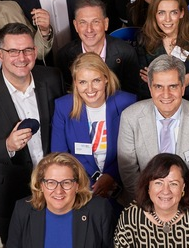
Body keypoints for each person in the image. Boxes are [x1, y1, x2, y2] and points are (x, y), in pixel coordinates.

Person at [0, 23, 63, 238]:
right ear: (0, 55)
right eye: (13, 51)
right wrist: (6, 146)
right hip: (8, 192)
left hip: (54, 186)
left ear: (35, 51)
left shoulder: (52, 79)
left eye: (27, 50)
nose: (21, 58)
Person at [117, 54, 189, 198]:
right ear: (150, 88)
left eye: (173, 86)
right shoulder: (130, 117)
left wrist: (179, 202)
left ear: (182, 87)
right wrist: (151, 203)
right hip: (141, 201)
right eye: (158, 87)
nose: (166, 94)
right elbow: (128, 171)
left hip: (187, 202)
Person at [50, 51, 138, 198]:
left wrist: (111, 176)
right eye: (83, 82)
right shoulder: (63, 107)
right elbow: (60, 157)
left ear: (106, 79)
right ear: (75, 83)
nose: (90, 89)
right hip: (81, 187)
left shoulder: (127, 103)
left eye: (96, 80)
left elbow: (134, 151)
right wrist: (91, 185)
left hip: (121, 185)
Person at [140, 0, 189, 106]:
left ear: (182, 13)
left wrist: (158, 84)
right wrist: (182, 81)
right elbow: (143, 88)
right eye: (161, 13)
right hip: (155, 111)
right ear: (154, 14)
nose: (167, 19)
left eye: (173, 12)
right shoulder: (144, 40)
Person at [57, 0, 143, 93]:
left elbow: (133, 94)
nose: (89, 29)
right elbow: (67, 95)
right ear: (76, 26)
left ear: (106, 24)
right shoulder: (64, 56)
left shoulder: (126, 53)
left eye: (95, 22)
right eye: (83, 22)